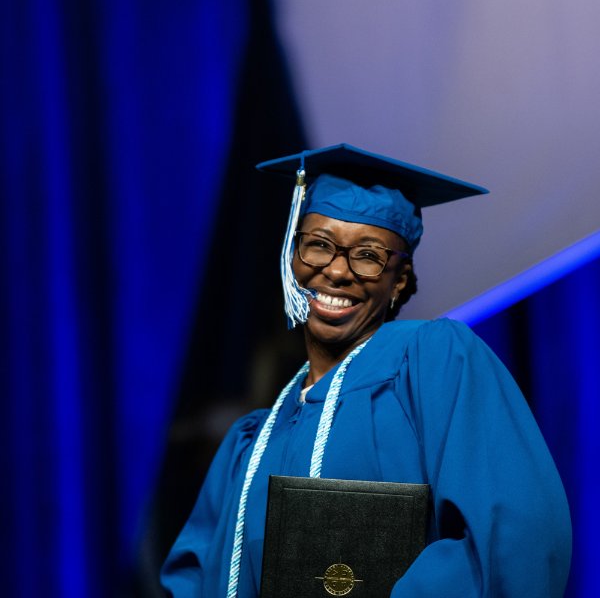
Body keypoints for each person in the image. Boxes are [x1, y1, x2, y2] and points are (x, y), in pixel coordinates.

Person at [161, 144, 572, 597]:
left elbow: (514, 535)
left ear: (399, 280)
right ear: (292, 259)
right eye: (318, 245)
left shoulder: (435, 361)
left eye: (369, 254)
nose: (337, 271)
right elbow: (195, 578)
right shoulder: (250, 443)